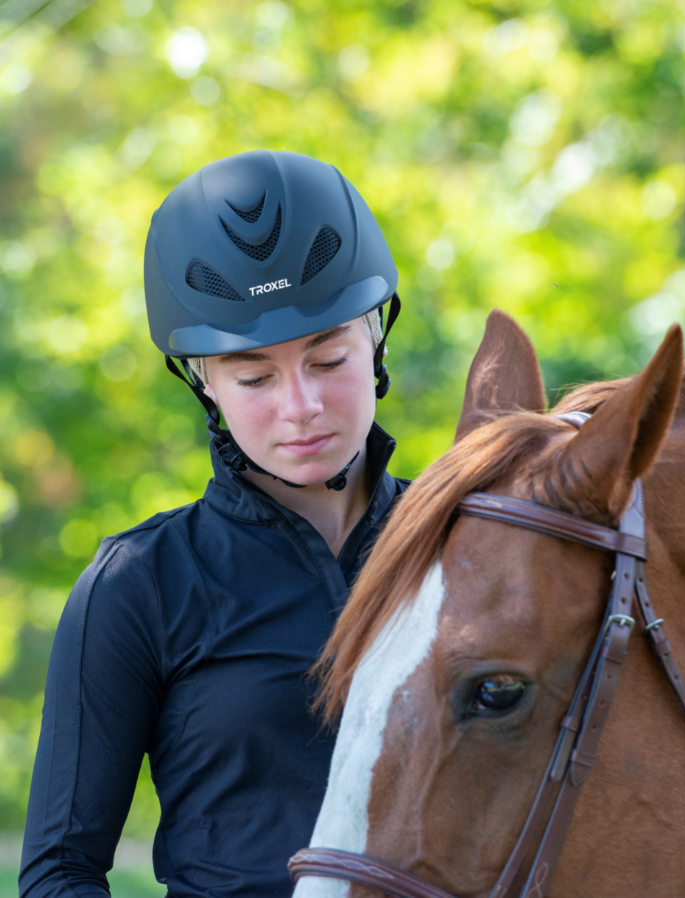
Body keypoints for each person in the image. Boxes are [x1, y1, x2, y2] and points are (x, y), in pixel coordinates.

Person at [19, 150, 408, 898]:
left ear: (376, 340)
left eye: (329, 359)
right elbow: (59, 872)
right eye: (255, 377)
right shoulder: (139, 584)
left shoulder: (468, 543)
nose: (300, 406)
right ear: (205, 384)